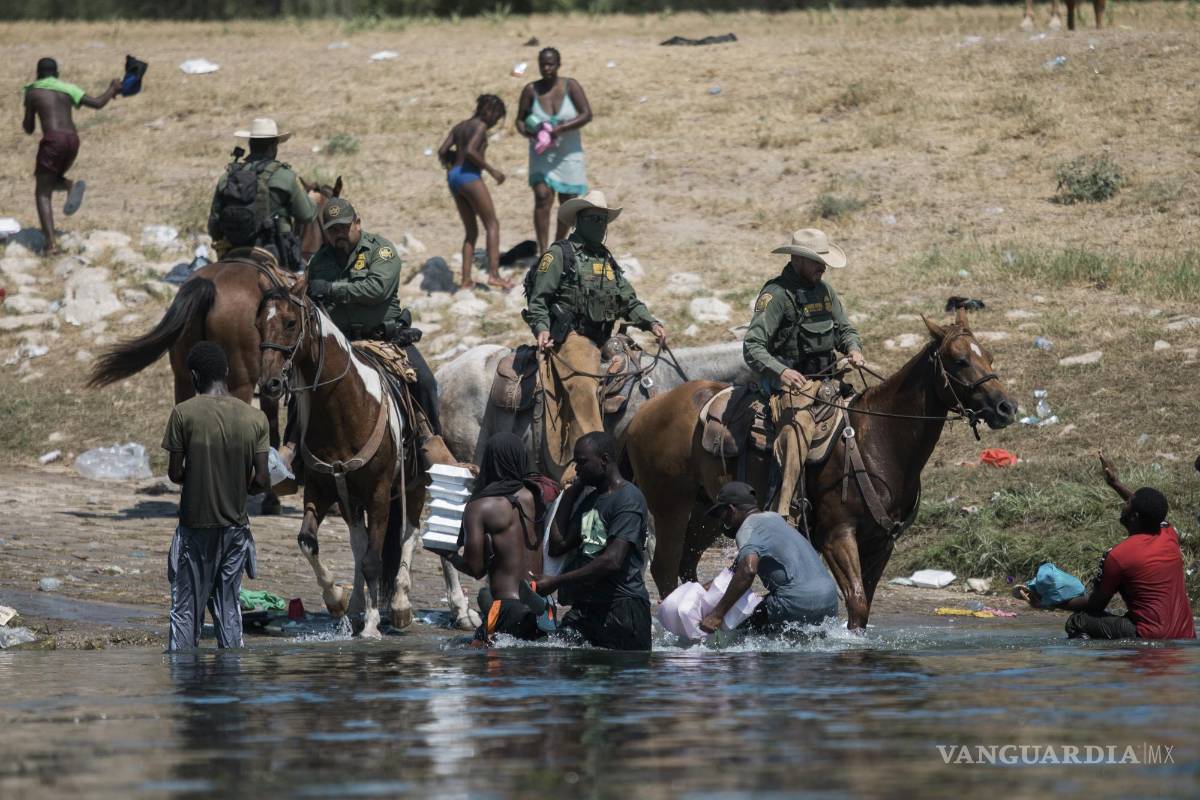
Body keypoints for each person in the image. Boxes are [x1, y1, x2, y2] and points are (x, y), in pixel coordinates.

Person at [523, 190, 666, 474]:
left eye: (604, 220)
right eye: (594, 219)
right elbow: (538, 298)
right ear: (579, 220)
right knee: (583, 385)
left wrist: (649, 322)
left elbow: (628, 300)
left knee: (643, 375)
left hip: (606, 337)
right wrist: (540, 328)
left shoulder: (607, 260)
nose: (600, 225)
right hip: (574, 337)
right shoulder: (559, 254)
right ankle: (589, 466)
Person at [304, 197, 449, 460]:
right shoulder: (319, 262)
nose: (339, 235)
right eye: (332, 230)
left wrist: (332, 289)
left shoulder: (380, 251)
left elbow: (377, 288)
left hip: (384, 340)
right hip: (339, 344)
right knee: (302, 390)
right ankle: (295, 454)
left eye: (344, 228)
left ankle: (433, 450)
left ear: (357, 223)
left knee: (425, 383)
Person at [743, 228, 865, 526]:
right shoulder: (776, 295)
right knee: (798, 428)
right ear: (797, 259)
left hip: (827, 378)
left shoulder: (825, 292)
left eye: (823, 261)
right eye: (815, 261)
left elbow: (844, 329)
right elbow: (752, 346)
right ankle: (786, 512)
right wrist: (782, 372)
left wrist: (853, 348)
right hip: (788, 381)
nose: (822, 267)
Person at [1017, 453, 1195, 640]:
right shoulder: (1168, 535)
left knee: (1078, 622)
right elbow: (1151, 510)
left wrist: (1049, 602)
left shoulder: (1118, 556)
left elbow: (1095, 605)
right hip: (1186, 634)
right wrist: (1115, 483)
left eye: (1127, 504)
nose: (1124, 505)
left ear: (1134, 517)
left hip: (1148, 636)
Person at [162, 342, 270, 651]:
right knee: (228, 607)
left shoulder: (183, 413)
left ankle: (184, 677)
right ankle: (230, 680)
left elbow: (175, 473)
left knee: (185, 609)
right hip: (236, 530)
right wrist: (239, 484)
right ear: (226, 372)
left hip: (195, 527)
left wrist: (199, 476)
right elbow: (261, 480)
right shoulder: (255, 418)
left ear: (195, 375)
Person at [533, 432, 652, 651]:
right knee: (554, 658)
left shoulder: (628, 499)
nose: (576, 469)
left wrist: (556, 581)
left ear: (604, 460)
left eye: (582, 462)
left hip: (622, 610)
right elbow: (558, 546)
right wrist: (570, 493)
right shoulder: (591, 500)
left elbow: (612, 560)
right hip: (586, 609)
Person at [700, 482, 839, 635]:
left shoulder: (747, 529)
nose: (722, 522)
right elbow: (733, 574)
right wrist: (698, 590)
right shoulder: (774, 519)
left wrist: (716, 615)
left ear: (731, 511)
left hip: (797, 602)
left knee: (738, 632)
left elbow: (747, 571)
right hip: (829, 600)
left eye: (722, 515)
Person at [449, 433, 547, 644]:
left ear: (489, 462)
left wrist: (448, 555)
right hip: (543, 609)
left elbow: (476, 570)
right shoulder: (537, 498)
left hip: (505, 609)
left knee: (475, 658)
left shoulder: (480, 507)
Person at [21, 57, 121, 255]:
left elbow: (29, 127)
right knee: (50, 179)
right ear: (57, 74)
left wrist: (30, 112)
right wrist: (112, 88)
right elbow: (98, 103)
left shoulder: (33, 91)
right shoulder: (67, 88)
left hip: (53, 140)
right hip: (73, 140)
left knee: (42, 192)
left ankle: (50, 245)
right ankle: (67, 185)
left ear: (38, 74)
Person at [207, 117, 317, 270]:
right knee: (303, 285)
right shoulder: (285, 176)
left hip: (231, 251)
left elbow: (213, 226)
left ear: (251, 144)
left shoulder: (227, 177)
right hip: (276, 251)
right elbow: (307, 215)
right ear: (273, 147)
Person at [515, 47, 592, 252]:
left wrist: (561, 128)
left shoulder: (571, 86)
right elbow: (520, 121)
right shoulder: (531, 90)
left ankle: (558, 247)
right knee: (542, 196)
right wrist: (531, 133)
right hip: (542, 153)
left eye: (551, 64)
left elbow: (586, 114)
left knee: (567, 201)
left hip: (568, 152)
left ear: (558, 65)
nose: (547, 68)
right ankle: (542, 250)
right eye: (543, 64)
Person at [438, 94, 513, 290]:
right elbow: (471, 150)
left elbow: (442, 150)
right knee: (492, 224)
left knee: (471, 231)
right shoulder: (479, 126)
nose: (495, 121)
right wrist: (492, 171)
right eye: (496, 116)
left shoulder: (459, 126)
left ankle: (465, 281)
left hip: (453, 176)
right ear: (488, 111)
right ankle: (494, 275)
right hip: (469, 176)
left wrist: (450, 165)